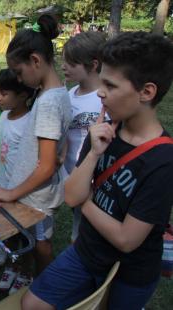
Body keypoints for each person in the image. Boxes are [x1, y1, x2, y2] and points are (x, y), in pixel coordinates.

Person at [22, 31, 173, 310]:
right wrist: (93, 152)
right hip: (86, 252)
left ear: (146, 92)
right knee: (32, 304)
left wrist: (84, 200)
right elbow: (70, 194)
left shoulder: (163, 160)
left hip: (130, 273)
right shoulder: (104, 131)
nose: (100, 92)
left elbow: (126, 239)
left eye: (110, 85)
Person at [0, 14, 72, 288]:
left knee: (41, 245)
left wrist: (12, 192)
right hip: (30, 191)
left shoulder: (47, 102)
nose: (20, 80)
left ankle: (45, 287)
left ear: (36, 60)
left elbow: (46, 166)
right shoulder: (60, 92)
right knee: (28, 239)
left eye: (20, 73)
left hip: (35, 196)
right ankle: (29, 276)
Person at [0, 69, 37, 294]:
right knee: (8, 232)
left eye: (4, 93)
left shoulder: (30, 122)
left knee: (26, 236)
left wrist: (19, 191)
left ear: (23, 96)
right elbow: (1, 153)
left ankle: (27, 272)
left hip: (24, 193)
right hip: (4, 189)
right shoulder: (3, 117)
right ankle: (12, 266)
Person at [62, 32, 106, 242]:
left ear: (93, 64)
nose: (64, 67)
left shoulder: (104, 99)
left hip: (98, 178)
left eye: (71, 63)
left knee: (92, 228)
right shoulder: (69, 96)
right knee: (79, 220)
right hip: (73, 175)